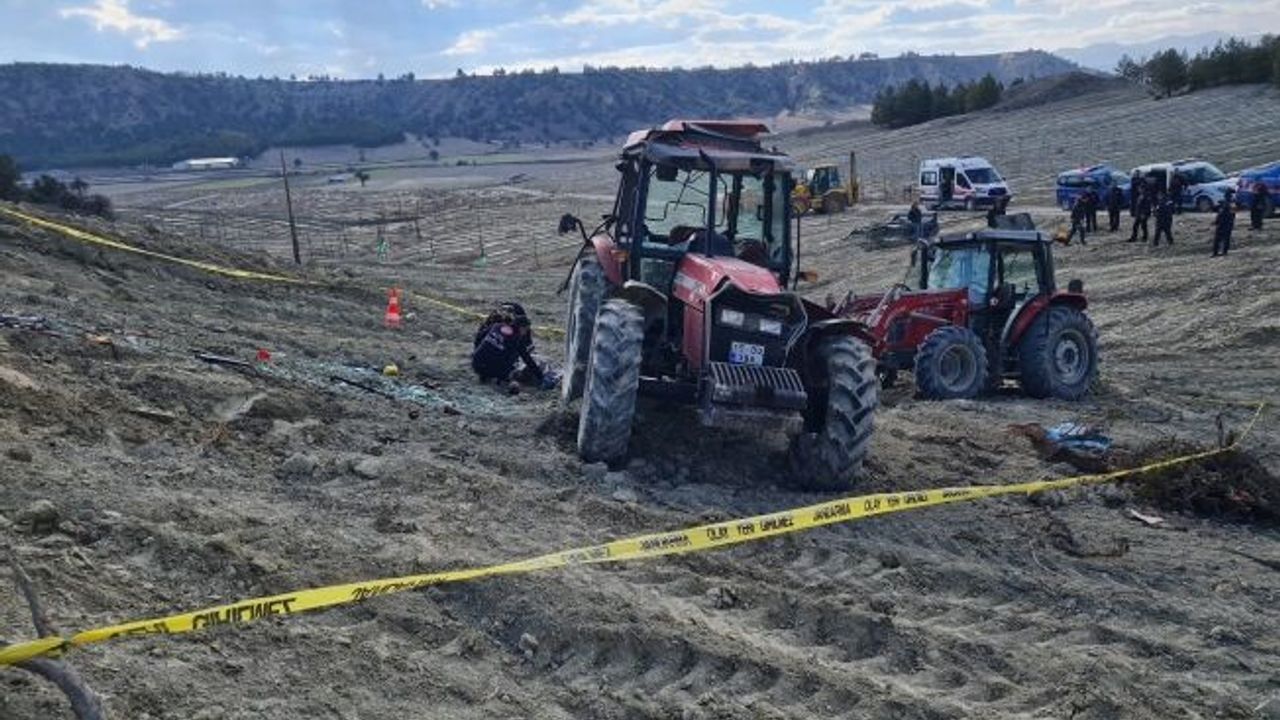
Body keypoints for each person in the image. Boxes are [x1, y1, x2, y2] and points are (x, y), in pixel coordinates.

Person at [471, 302, 551, 392]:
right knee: (514, 353)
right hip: (494, 372)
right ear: (522, 328)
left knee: (495, 348)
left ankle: (485, 375)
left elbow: (480, 336)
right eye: (526, 330)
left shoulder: (496, 325)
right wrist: (541, 377)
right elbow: (528, 360)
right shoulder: (517, 340)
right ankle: (503, 378)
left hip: (475, 363)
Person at [1212, 191, 1236, 257]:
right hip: (1224, 223)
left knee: (1222, 238)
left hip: (1225, 222)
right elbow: (1218, 212)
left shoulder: (1231, 204)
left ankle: (1220, 252)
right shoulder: (1227, 203)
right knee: (1221, 238)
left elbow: (1231, 214)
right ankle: (1218, 252)